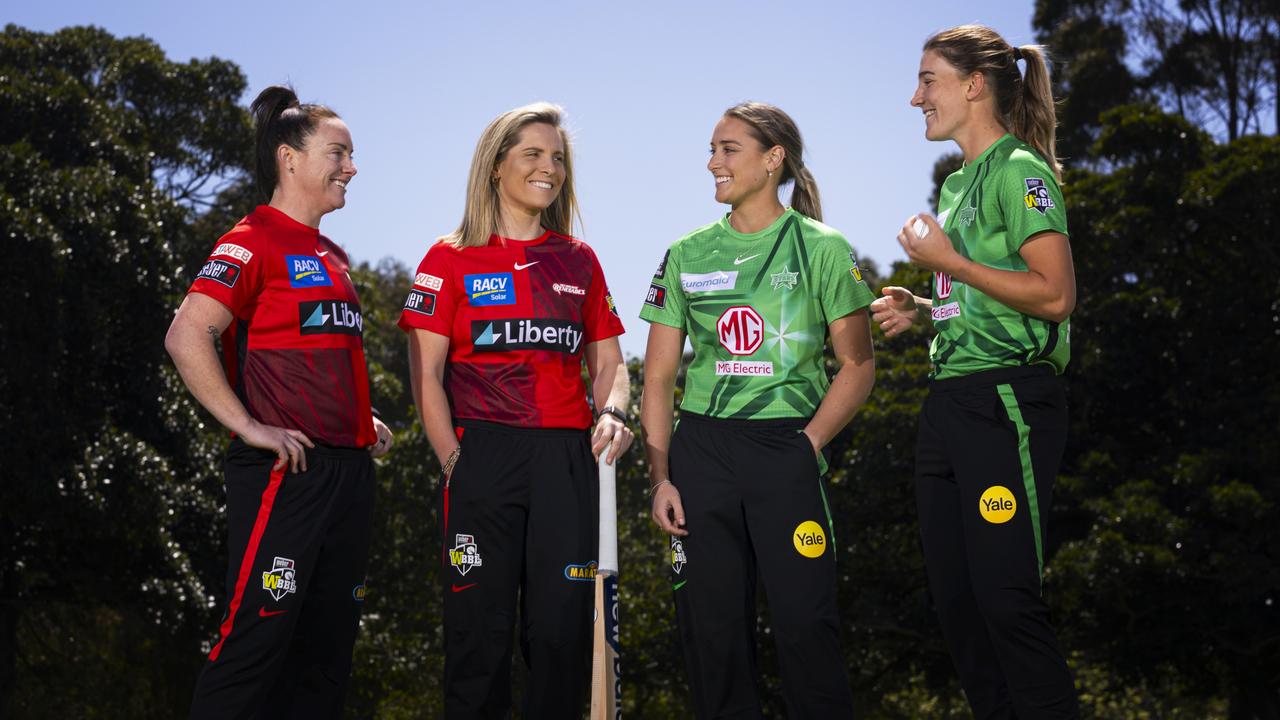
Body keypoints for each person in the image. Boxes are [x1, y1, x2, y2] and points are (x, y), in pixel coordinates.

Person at [640, 102, 875, 718]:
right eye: (712, 149)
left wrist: (808, 446)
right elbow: (659, 377)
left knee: (807, 630)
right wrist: (661, 477)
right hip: (702, 457)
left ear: (773, 160)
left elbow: (857, 364)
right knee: (712, 638)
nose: (713, 162)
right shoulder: (686, 253)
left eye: (728, 149)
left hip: (786, 451)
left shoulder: (823, 248)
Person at [871, 24, 1080, 717]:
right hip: (949, 408)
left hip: (1007, 405)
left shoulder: (1023, 170)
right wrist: (928, 303)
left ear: (973, 85)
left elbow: (1054, 295)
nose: (915, 97)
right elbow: (988, 295)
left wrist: (951, 266)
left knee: (1005, 598)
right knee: (958, 608)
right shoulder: (960, 184)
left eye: (927, 80)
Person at [399, 102, 632, 718]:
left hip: (564, 459)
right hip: (482, 455)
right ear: (496, 165)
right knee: (479, 636)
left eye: (557, 158)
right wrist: (453, 459)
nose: (548, 168)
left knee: (559, 637)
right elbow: (425, 375)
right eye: (532, 154)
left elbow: (611, 365)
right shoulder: (448, 259)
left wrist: (612, 412)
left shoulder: (578, 259)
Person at [166, 85, 392, 718]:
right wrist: (247, 424)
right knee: (257, 641)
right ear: (289, 158)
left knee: (327, 656)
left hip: (348, 474)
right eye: (338, 152)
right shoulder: (253, 237)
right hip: (286, 474)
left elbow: (311, 355)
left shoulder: (336, 257)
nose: (352, 167)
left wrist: (359, 419)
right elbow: (187, 334)